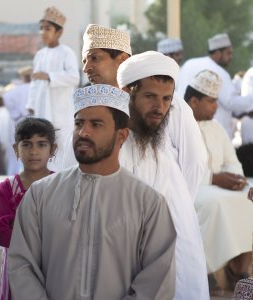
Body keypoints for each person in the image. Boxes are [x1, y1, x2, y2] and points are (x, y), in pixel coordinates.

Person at [8, 84, 177, 299]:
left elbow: (157, 280)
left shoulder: (148, 203)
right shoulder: (40, 195)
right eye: (79, 123)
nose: (83, 132)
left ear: (121, 135)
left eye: (96, 124)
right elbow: (22, 265)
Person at [68, 24, 207, 201]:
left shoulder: (172, 104)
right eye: (84, 61)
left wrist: (179, 203)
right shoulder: (89, 107)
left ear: (122, 59)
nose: (86, 68)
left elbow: (194, 162)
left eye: (94, 58)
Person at [116, 51, 209, 300]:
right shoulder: (114, 137)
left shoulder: (175, 113)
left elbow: (196, 162)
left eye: (167, 99)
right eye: (150, 97)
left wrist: (177, 206)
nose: (160, 107)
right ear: (127, 92)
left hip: (175, 224)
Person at [183, 70, 253, 291]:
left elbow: (232, 161)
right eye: (212, 101)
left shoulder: (217, 127)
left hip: (219, 187)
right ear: (194, 101)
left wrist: (237, 179)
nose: (216, 107)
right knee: (218, 202)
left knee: (249, 196)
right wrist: (214, 178)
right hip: (192, 188)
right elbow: (176, 170)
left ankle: (241, 270)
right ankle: (206, 270)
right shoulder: (177, 127)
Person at [0, 117, 57, 300]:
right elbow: (1, 233)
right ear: (16, 149)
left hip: (51, 264)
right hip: (16, 265)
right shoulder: (8, 188)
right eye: (27, 144)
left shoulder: (61, 185)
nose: (34, 151)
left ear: (52, 149)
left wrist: (22, 230)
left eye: (41, 144)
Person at [26, 6, 80, 171]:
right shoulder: (39, 55)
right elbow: (34, 84)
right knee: (44, 145)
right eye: (41, 28)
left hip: (61, 110)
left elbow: (74, 77)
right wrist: (30, 105)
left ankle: (64, 179)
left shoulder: (67, 53)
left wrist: (50, 76)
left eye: (47, 29)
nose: (43, 32)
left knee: (62, 145)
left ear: (59, 32)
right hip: (42, 110)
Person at [177, 33, 253, 138]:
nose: (231, 57)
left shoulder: (189, 63)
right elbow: (231, 103)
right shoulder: (218, 71)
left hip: (182, 126)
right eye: (228, 53)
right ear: (218, 53)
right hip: (209, 131)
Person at [1, 66, 32, 175]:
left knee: (16, 149)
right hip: (34, 120)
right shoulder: (35, 88)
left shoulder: (17, 89)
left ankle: (14, 174)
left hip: (19, 120)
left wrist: (16, 114)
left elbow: (6, 98)